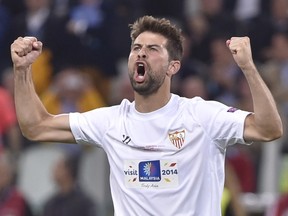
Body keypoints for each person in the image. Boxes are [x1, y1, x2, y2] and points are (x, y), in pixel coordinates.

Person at [10, 15, 283, 215]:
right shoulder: (111, 122)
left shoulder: (201, 116)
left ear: (173, 66)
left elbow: (269, 129)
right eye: (136, 48)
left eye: (152, 49)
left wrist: (248, 67)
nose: (141, 53)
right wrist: (22, 70)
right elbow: (36, 127)